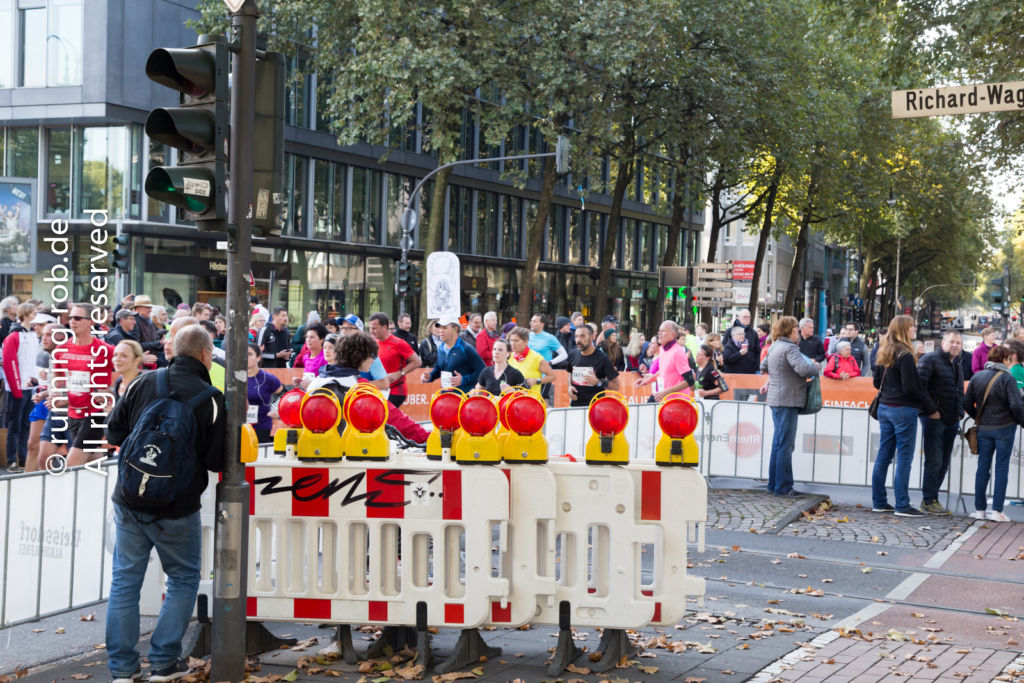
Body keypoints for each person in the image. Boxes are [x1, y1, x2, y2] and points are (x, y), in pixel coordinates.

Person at [105, 326, 226, 683]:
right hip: (177, 508)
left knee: (125, 581)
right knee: (184, 578)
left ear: (173, 349)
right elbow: (217, 461)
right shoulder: (212, 398)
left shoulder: (144, 382)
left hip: (129, 499)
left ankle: (122, 670)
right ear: (206, 355)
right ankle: (164, 663)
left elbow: (114, 432)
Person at [871, 315, 939, 517]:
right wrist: (930, 408)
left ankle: (879, 501)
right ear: (903, 330)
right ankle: (902, 505)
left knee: (884, 455)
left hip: (885, 407)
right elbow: (910, 388)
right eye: (912, 327)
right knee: (904, 458)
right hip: (903, 409)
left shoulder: (885, 350)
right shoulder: (905, 355)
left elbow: (876, 382)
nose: (914, 329)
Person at [759, 316, 820, 496]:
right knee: (785, 445)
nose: (798, 333)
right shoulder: (791, 347)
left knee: (778, 444)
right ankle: (784, 487)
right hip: (788, 399)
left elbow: (764, 366)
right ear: (789, 331)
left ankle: (774, 484)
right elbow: (804, 370)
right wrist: (815, 366)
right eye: (796, 330)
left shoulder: (775, 345)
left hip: (776, 399)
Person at [964, 345, 1024, 523]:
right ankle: (997, 510)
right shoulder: (1007, 378)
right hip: (1005, 428)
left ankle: (980, 510)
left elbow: (967, 403)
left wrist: (978, 418)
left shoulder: (978, 377)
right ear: (1005, 360)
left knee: (982, 468)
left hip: (984, 429)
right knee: (1001, 468)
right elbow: (1015, 405)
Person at [60, 304, 116, 468]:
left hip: (95, 413)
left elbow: (125, 372)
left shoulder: (105, 350)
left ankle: (66, 493)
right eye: (70, 317)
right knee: (92, 458)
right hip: (74, 412)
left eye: (77, 318)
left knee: (72, 463)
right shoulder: (64, 348)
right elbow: (60, 379)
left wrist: (110, 390)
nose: (72, 321)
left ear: (91, 322)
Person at [916, 330, 964, 516]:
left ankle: (932, 499)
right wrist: (932, 411)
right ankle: (929, 501)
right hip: (933, 419)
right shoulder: (929, 360)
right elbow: (920, 388)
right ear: (942, 343)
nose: (955, 345)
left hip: (951, 419)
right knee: (934, 461)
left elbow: (959, 390)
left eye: (958, 343)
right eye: (952, 342)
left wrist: (960, 412)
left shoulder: (957, 363)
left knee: (943, 463)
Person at [3, 303, 40, 472]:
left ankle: (24, 459)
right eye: (33, 313)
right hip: (16, 389)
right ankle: (12, 460)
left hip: (30, 388)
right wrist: (17, 387)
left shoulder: (33, 335)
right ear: (25, 315)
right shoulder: (13, 336)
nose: (36, 316)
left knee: (26, 425)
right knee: (15, 426)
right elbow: (10, 363)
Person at [368, 312, 422, 407]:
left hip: (396, 390)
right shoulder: (373, 343)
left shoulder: (398, 343)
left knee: (384, 417)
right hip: (379, 389)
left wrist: (400, 373)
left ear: (384, 327)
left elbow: (417, 362)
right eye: (370, 328)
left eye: (374, 328)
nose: (371, 331)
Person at [421, 315, 485, 392]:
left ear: (455, 329)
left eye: (445, 328)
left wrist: (463, 380)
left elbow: (483, 372)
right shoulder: (440, 348)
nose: (441, 330)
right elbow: (439, 369)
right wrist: (430, 376)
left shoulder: (466, 349)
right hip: (445, 396)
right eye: (440, 327)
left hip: (463, 398)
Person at [635, 321, 695, 401]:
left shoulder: (677, 352)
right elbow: (663, 370)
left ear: (673, 334)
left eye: (663, 331)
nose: (659, 333)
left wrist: (665, 392)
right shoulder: (662, 350)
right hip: (665, 400)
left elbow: (689, 380)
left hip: (678, 402)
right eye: (659, 330)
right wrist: (648, 380)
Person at [567, 324, 620, 407]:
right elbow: (570, 372)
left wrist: (598, 382)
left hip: (596, 407)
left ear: (592, 337)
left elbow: (616, 385)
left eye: (582, 336)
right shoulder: (572, 354)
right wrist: (570, 386)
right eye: (576, 336)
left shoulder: (602, 358)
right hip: (575, 406)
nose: (578, 340)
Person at [246, 342, 283, 443]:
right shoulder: (237, 377)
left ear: (258, 357)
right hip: (240, 425)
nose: (246, 357)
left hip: (261, 425)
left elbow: (284, 395)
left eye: (249, 354)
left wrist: (276, 410)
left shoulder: (268, 378)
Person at [507, 326, 554, 396]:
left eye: (516, 340)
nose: (512, 343)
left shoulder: (536, 357)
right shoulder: (509, 357)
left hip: (531, 402)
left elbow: (552, 376)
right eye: (511, 340)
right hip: (512, 401)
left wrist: (537, 381)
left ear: (526, 341)